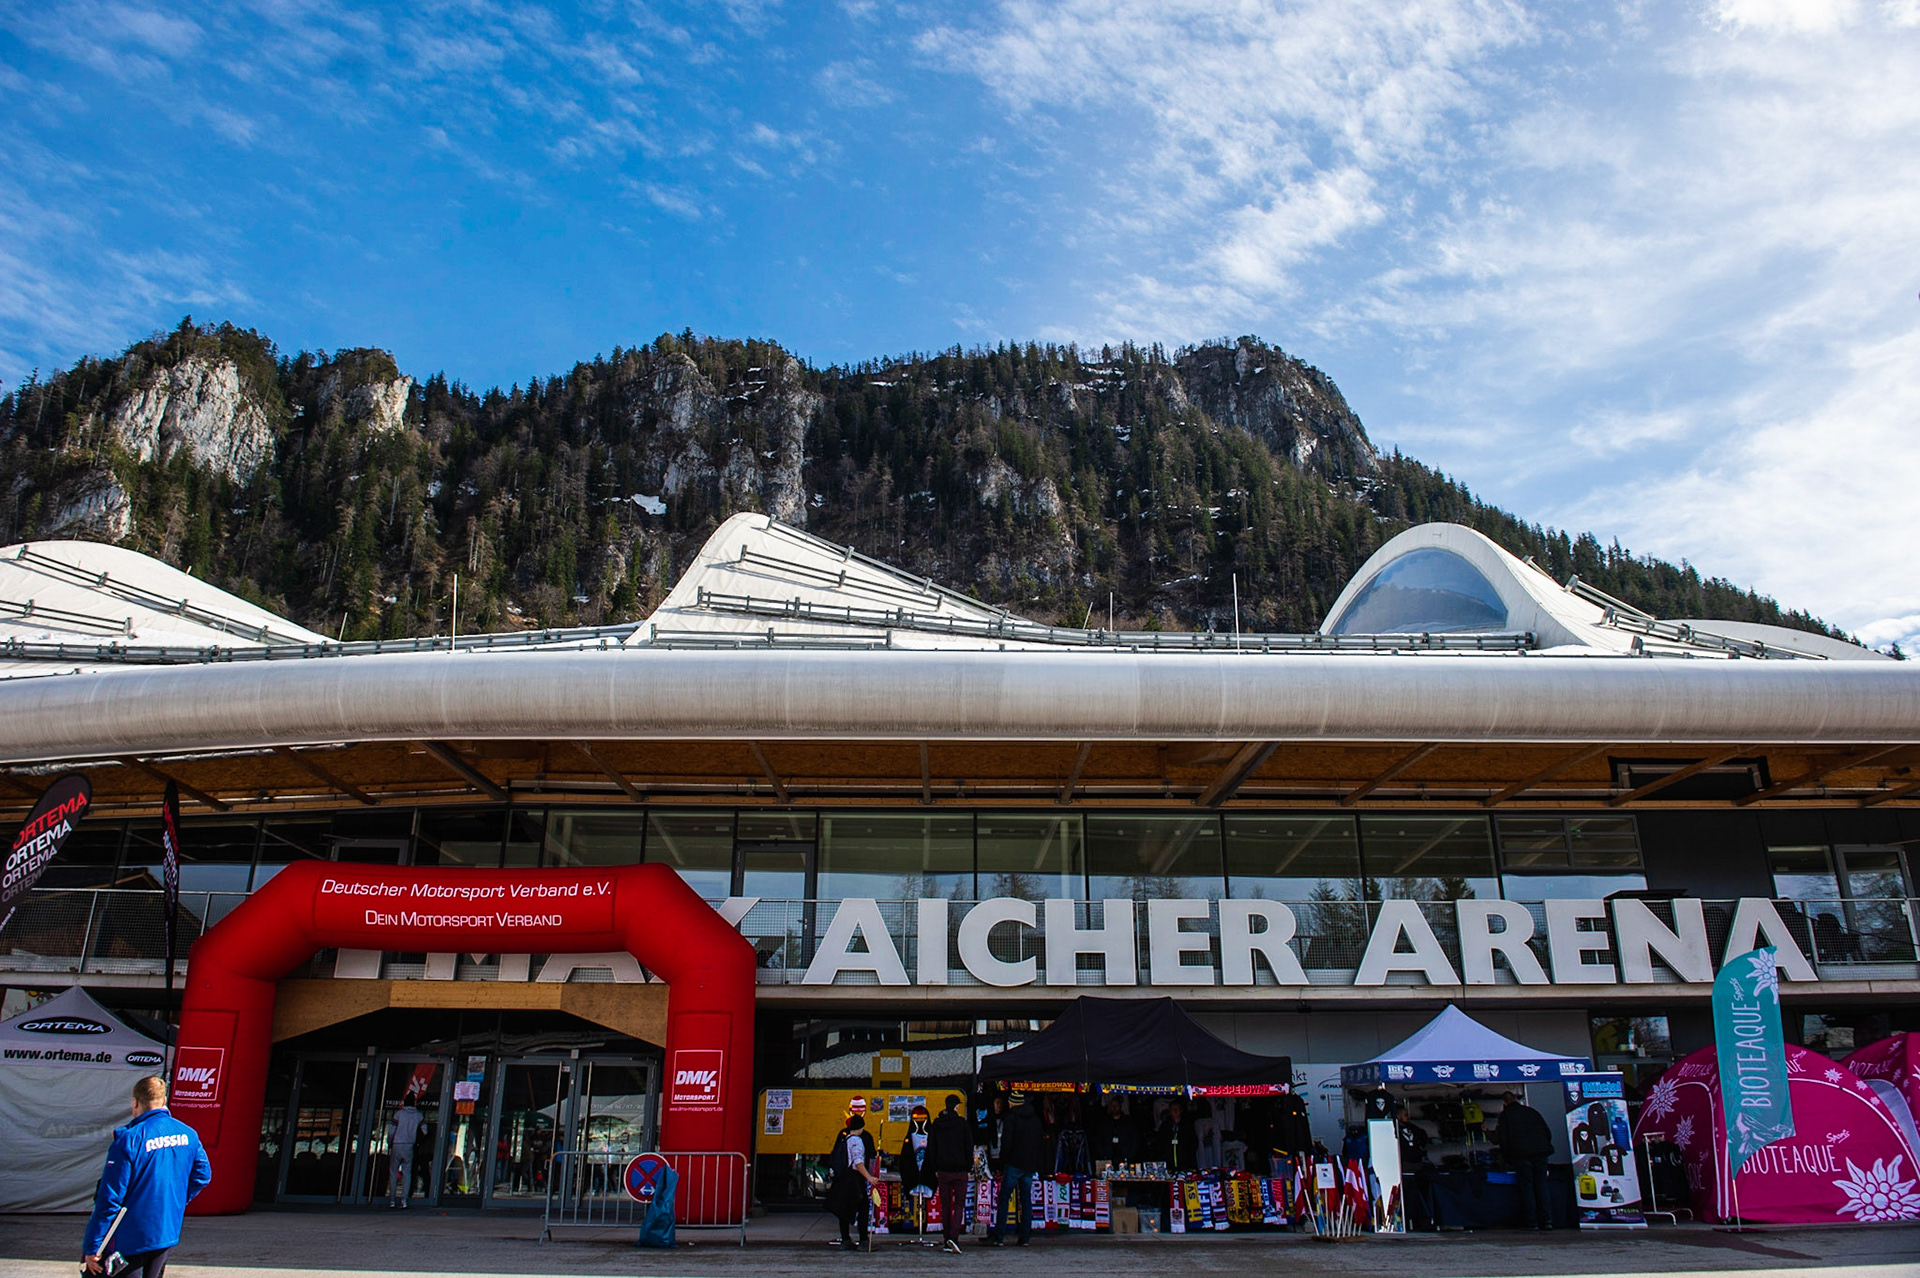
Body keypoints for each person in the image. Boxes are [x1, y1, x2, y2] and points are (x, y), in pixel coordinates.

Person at [82, 1075, 212, 1278]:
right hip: (165, 1232)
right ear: (164, 1101)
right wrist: (174, 1201)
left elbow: (110, 1199)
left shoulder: (129, 1139)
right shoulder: (188, 1134)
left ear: (135, 1102)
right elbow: (203, 1176)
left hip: (129, 1235)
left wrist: (93, 1246)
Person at [984, 1096, 1042, 1247]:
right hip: (1029, 1165)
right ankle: (1025, 1237)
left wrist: (1002, 1162)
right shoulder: (1035, 1120)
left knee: (1004, 1198)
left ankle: (1000, 1235)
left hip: (1013, 1164)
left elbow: (1006, 1142)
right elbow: (1039, 1142)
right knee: (1026, 1200)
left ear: (1012, 1103)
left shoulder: (1011, 1119)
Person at [1496, 1090, 1556, 1231]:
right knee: (1542, 1186)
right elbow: (1547, 1132)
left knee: (1527, 1188)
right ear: (1516, 1099)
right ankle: (1547, 1220)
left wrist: (1506, 1159)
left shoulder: (1506, 1116)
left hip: (1521, 1155)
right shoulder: (1532, 1112)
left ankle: (1531, 1221)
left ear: (1504, 1103)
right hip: (1540, 1153)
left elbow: (1503, 1139)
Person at [926, 1094, 974, 1254]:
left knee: (945, 1205)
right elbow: (969, 1147)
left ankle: (947, 1239)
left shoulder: (937, 1124)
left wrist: (934, 1168)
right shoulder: (963, 1124)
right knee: (959, 1204)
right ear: (956, 1107)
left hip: (943, 1171)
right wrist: (969, 1168)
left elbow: (931, 1148)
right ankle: (954, 1237)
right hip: (960, 1170)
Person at [825, 1114, 881, 1248]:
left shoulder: (845, 1139)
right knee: (863, 1207)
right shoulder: (857, 1141)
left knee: (843, 1209)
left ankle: (845, 1239)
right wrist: (869, 1177)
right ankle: (863, 1240)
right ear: (861, 1127)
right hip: (854, 1179)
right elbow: (858, 1162)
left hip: (843, 1178)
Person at [387, 1097, 426, 1208]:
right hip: (409, 1145)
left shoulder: (398, 1114)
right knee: (407, 1173)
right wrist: (418, 1141)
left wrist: (390, 1142)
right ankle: (404, 1200)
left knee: (393, 1172)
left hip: (397, 1144)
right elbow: (424, 1130)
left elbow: (391, 1131)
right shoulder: (418, 1115)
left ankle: (392, 1200)